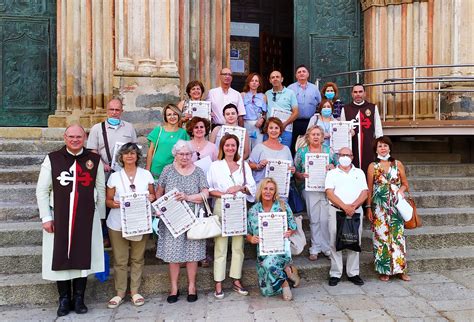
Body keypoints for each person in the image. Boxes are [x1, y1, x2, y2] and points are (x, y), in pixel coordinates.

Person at [36, 124, 105, 317]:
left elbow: (100, 188)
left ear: (85, 138)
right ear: (65, 137)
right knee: (61, 256)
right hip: (59, 217)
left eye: (79, 137)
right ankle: (64, 299)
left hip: (87, 218)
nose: (75, 140)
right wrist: (46, 217)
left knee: (83, 257)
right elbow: (42, 190)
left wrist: (99, 217)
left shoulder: (94, 160)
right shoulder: (53, 159)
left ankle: (79, 298)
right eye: (71, 136)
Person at [155, 140, 209, 303]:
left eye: (188, 154)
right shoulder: (167, 170)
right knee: (173, 255)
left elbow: (205, 193)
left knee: (192, 254)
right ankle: (174, 288)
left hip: (193, 216)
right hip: (172, 218)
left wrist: (187, 197)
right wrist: (160, 207)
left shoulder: (198, 171)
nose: (185, 157)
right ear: (175, 155)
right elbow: (159, 191)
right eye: (181, 154)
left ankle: (192, 286)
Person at [105, 143, 155, 309]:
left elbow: (153, 194)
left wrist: (150, 198)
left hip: (139, 221)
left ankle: (134, 291)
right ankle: (120, 292)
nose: (130, 156)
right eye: (126, 154)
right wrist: (116, 204)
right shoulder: (114, 177)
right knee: (120, 260)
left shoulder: (146, 174)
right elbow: (108, 200)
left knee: (137, 258)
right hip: (118, 223)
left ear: (137, 156)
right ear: (121, 157)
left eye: (133, 153)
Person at [207, 134, 256, 299]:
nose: (230, 148)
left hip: (239, 206)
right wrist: (225, 193)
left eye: (233, 145)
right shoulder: (215, 166)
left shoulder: (243, 165)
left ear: (237, 147)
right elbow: (209, 189)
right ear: (222, 147)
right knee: (220, 246)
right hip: (222, 205)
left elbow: (252, 188)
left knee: (238, 246)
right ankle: (218, 282)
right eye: (227, 145)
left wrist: (239, 188)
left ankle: (236, 280)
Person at [87, 97, 137, 247]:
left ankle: (125, 231)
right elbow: (92, 150)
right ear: (107, 111)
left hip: (124, 171)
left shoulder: (129, 127)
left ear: (122, 111)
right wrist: (102, 163)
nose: (114, 113)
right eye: (111, 110)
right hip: (105, 171)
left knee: (124, 199)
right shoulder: (97, 128)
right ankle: (105, 235)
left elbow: (133, 148)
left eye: (117, 110)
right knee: (105, 202)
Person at [246, 177, 300, 301]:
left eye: (271, 189)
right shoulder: (253, 210)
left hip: (281, 249)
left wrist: (289, 232)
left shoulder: (282, 206)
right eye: (265, 188)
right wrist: (251, 239)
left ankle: (285, 284)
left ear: (275, 192)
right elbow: (248, 233)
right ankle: (289, 270)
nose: (268, 192)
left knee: (268, 265)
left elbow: (293, 226)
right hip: (264, 251)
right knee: (267, 291)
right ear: (261, 190)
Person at [366, 136, 411, 282]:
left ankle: (400, 270)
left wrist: (401, 190)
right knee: (381, 238)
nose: (383, 148)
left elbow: (405, 184)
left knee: (398, 237)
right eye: (380, 146)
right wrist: (368, 208)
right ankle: (384, 270)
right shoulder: (373, 166)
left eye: (385, 146)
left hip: (396, 207)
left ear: (390, 148)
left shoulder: (398, 164)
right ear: (376, 149)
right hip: (379, 207)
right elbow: (369, 189)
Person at [325, 147, 368, 286]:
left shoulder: (359, 172)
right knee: (334, 241)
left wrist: (353, 206)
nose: (345, 157)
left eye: (348, 155)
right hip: (336, 210)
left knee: (355, 241)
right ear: (338, 156)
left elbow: (364, 192)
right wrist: (345, 207)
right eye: (342, 154)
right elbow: (329, 193)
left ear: (352, 157)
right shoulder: (332, 173)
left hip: (355, 211)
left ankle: (353, 273)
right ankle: (335, 273)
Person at [294, 125, 335, 261]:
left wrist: (332, 167)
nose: (316, 136)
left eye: (318, 134)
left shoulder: (329, 151)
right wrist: (301, 175)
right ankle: (315, 248)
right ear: (308, 137)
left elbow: (337, 169)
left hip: (326, 189)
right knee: (314, 218)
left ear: (323, 137)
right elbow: (296, 172)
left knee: (325, 219)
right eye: (313, 134)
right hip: (308, 188)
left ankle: (327, 247)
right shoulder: (301, 152)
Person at [341, 83, 383, 173]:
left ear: (364, 93)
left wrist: (380, 147)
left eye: (360, 92)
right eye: (355, 92)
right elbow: (342, 130)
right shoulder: (345, 109)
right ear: (352, 94)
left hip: (369, 145)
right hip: (352, 146)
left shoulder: (372, 107)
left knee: (370, 170)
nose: (358, 94)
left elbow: (378, 130)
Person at [146, 104, 189, 180]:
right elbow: (150, 152)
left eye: (175, 114)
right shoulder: (158, 130)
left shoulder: (183, 133)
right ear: (165, 117)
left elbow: (187, 153)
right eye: (169, 115)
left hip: (175, 172)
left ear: (178, 115)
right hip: (156, 170)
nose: (172, 117)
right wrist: (147, 171)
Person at [248, 117, 294, 189]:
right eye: (271, 128)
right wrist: (258, 166)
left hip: (280, 189)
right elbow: (249, 165)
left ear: (280, 131)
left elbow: (290, 169)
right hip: (262, 189)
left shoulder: (286, 149)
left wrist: (292, 170)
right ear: (267, 130)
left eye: (276, 128)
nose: (273, 130)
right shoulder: (259, 147)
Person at [288, 65, 321, 153]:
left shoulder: (314, 88)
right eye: (299, 72)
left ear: (308, 74)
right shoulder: (290, 88)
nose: (301, 73)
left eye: (304, 71)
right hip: (295, 122)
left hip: (310, 122)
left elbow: (319, 104)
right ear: (296, 75)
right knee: (294, 144)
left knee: (309, 144)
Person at [265, 70, 299, 149]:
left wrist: (285, 124)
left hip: (285, 129)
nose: (275, 79)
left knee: (283, 152)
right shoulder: (267, 94)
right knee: (268, 153)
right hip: (270, 130)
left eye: (277, 77)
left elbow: (296, 112)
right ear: (270, 80)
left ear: (282, 79)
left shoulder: (290, 93)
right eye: (273, 77)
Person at [241, 73, 267, 149]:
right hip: (246, 124)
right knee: (246, 147)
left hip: (258, 124)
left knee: (257, 147)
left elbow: (264, 112)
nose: (254, 83)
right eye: (252, 81)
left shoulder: (263, 96)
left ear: (259, 84)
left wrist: (262, 120)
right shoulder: (243, 95)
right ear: (248, 83)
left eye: (256, 81)